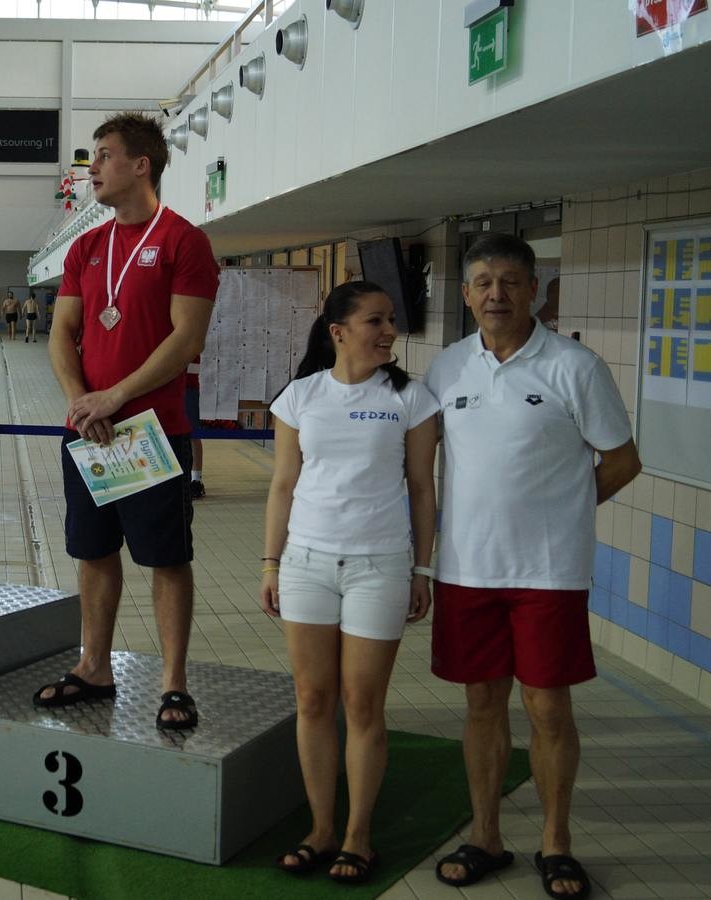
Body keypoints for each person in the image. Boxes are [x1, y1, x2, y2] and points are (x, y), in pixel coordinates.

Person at [427, 234, 641, 899]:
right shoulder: (446, 368)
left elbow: (621, 460)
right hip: (466, 568)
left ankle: (555, 842)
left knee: (547, 706)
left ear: (533, 290)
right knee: (481, 703)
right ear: (467, 295)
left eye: (510, 282)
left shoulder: (575, 366)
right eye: (483, 283)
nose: (496, 294)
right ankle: (486, 836)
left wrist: (566, 509)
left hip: (547, 572)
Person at [37, 112, 218, 729]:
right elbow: (62, 333)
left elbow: (186, 339)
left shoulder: (184, 242)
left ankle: (173, 685)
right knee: (93, 552)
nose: (92, 167)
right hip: (89, 433)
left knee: (166, 558)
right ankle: (94, 666)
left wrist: (114, 397)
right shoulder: (86, 247)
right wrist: (81, 401)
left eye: (104, 155)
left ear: (141, 165)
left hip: (153, 434)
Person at [261, 281, 438, 885]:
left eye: (390, 320)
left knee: (362, 704)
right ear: (338, 332)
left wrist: (421, 569)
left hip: (379, 566)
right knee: (312, 700)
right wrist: (270, 563)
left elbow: (422, 489)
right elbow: (283, 485)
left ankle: (358, 836)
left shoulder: (411, 398)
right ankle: (321, 829)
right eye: (375, 321)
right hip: (306, 564)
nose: (389, 331)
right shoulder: (300, 396)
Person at [184, 354, 205, 498]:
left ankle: (196, 480)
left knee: (193, 435)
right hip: (166, 388)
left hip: (189, 388)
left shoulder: (192, 342)